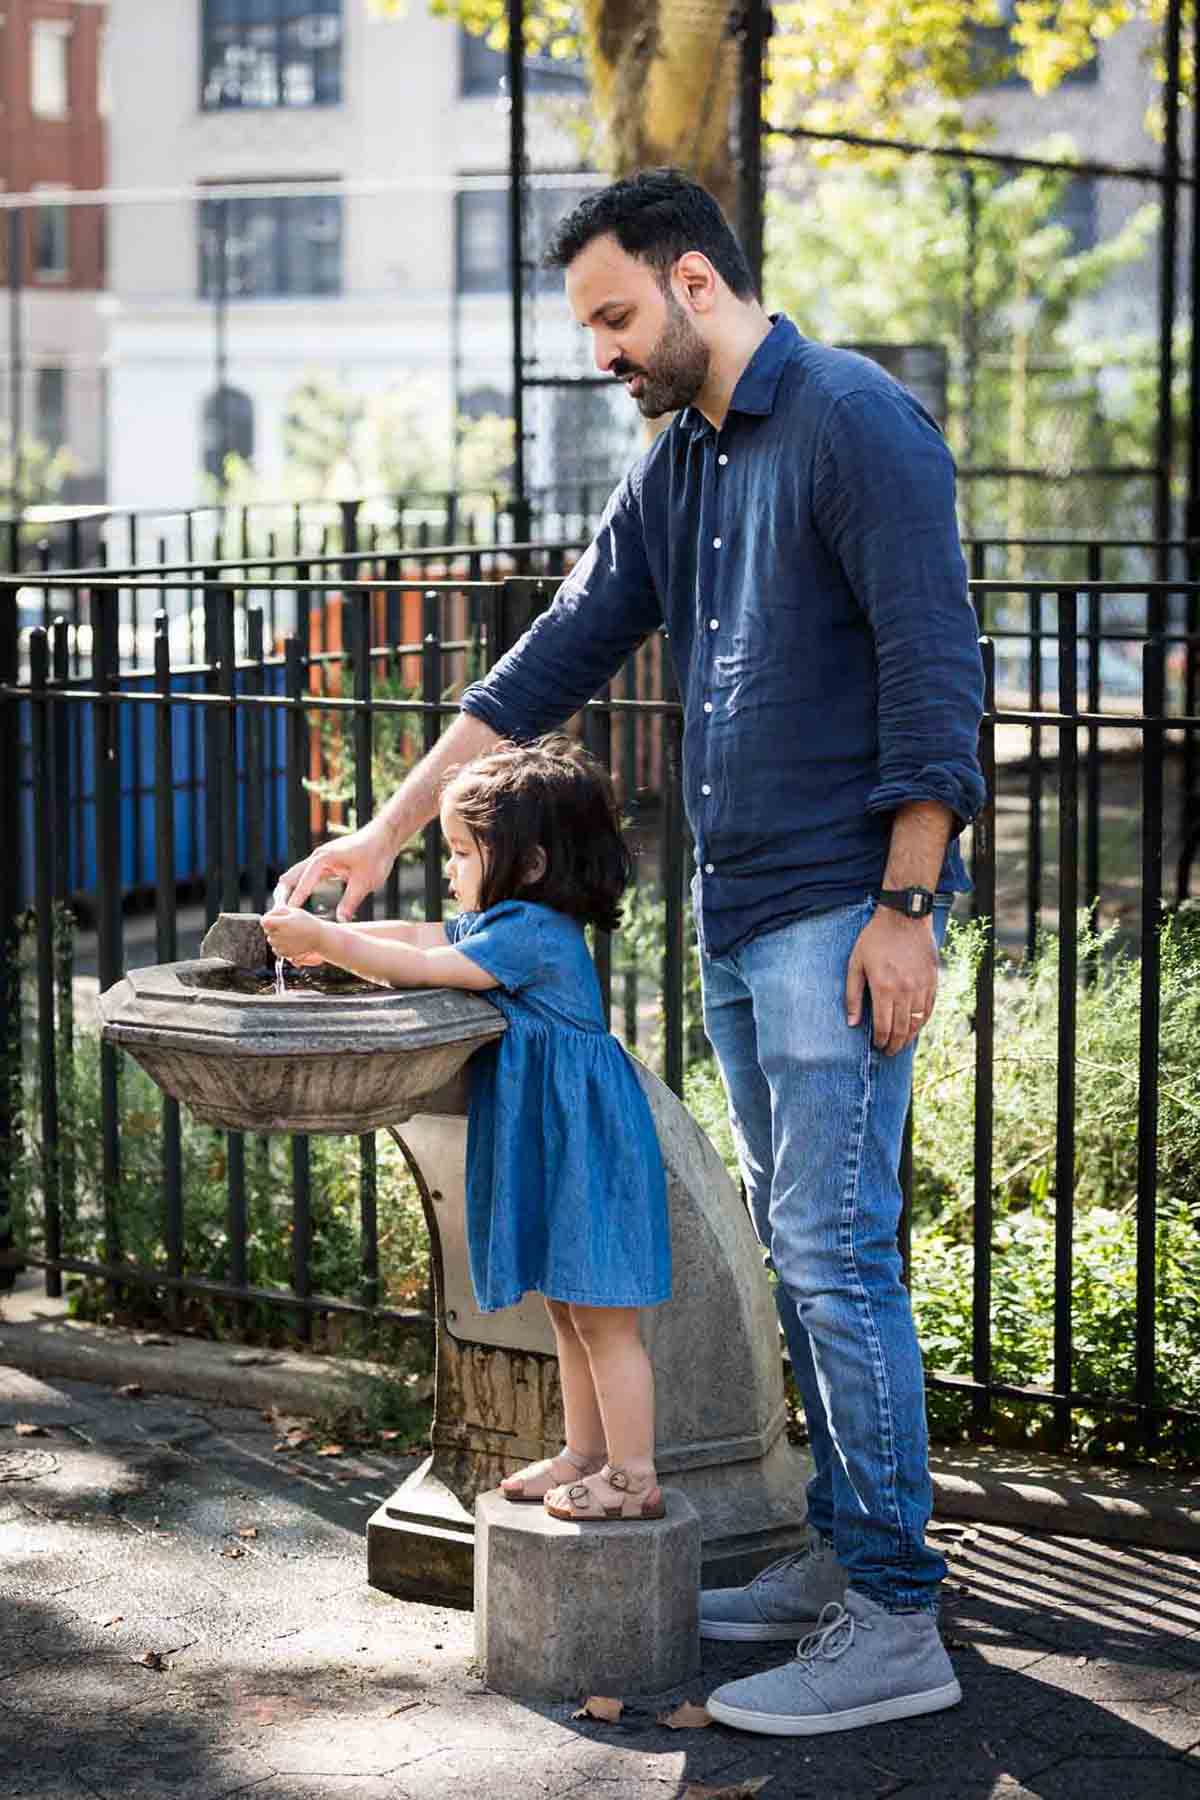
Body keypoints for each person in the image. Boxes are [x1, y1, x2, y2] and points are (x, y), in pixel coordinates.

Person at [274, 168, 986, 1735]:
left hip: (837, 918)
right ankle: (836, 1564)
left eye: (612, 315)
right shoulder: (687, 468)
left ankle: (894, 1620)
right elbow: (552, 658)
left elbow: (941, 672)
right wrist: (388, 838)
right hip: (745, 924)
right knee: (811, 1260)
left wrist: (905, 906)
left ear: (694, 283)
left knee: (838, 1260)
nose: (600, 349)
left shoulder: (855, 423)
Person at [264, 736, 671, 1524]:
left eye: (458, 851)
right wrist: (329, 943)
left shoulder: (532, 934)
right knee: (568, 1308)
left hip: (582, 1148)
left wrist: (326, 943)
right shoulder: (513, 919)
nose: (448, 870)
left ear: (529, 864)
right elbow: (418, 939)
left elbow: (422, 969)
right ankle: (584, 1454)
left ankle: (633, 1476)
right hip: (559, 1142)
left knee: (605, 1321)